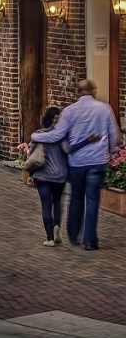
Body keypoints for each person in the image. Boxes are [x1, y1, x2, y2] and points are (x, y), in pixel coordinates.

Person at [30, 79, 119, 251]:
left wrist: (36, 136)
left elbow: (57, 135)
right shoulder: (105, 109)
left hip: (77, 163)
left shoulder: (69, 112)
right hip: (97, 161)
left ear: (78, 92)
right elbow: (114, 135)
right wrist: (112, 151)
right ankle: (90, 240)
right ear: (92, 90)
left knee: (76, 197)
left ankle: (73, 234)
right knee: (92, 200)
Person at [26, 106, 69, 246]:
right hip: (60, 175)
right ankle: (57, 227)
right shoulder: (62, 136)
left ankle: (49, 238)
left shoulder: (39, 134)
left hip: (42, 175)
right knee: (57, 201)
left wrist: (30, 173)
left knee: (46, 205)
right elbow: (68, 151)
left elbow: (31, 155)